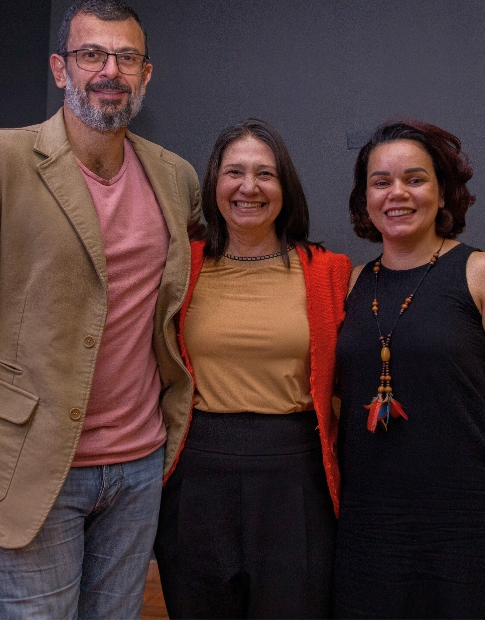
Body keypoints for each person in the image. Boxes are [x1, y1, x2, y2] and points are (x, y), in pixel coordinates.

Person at [0, 0, 204, 619]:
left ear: (147, 74)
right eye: (91, 53)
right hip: (25, 472)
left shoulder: (175, 178)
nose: (109, 71)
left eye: (126, 57)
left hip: (138, 467)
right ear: (60, 68)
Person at [332, 119, 485, 619]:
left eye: (415, 179)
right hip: (373, 523)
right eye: (381, 181)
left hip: (472, 519)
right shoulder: (348, 285)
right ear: (364, 197)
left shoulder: (484, 275)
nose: (398, 194)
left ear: (442, 191)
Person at [153, 119, 352, 618]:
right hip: (196, 472)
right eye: (234, 172)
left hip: (295, 475)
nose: (249, 187)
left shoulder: (329, 272)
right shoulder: (181, 266)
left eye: (265, 174)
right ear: (213, 185)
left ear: (285, 187)